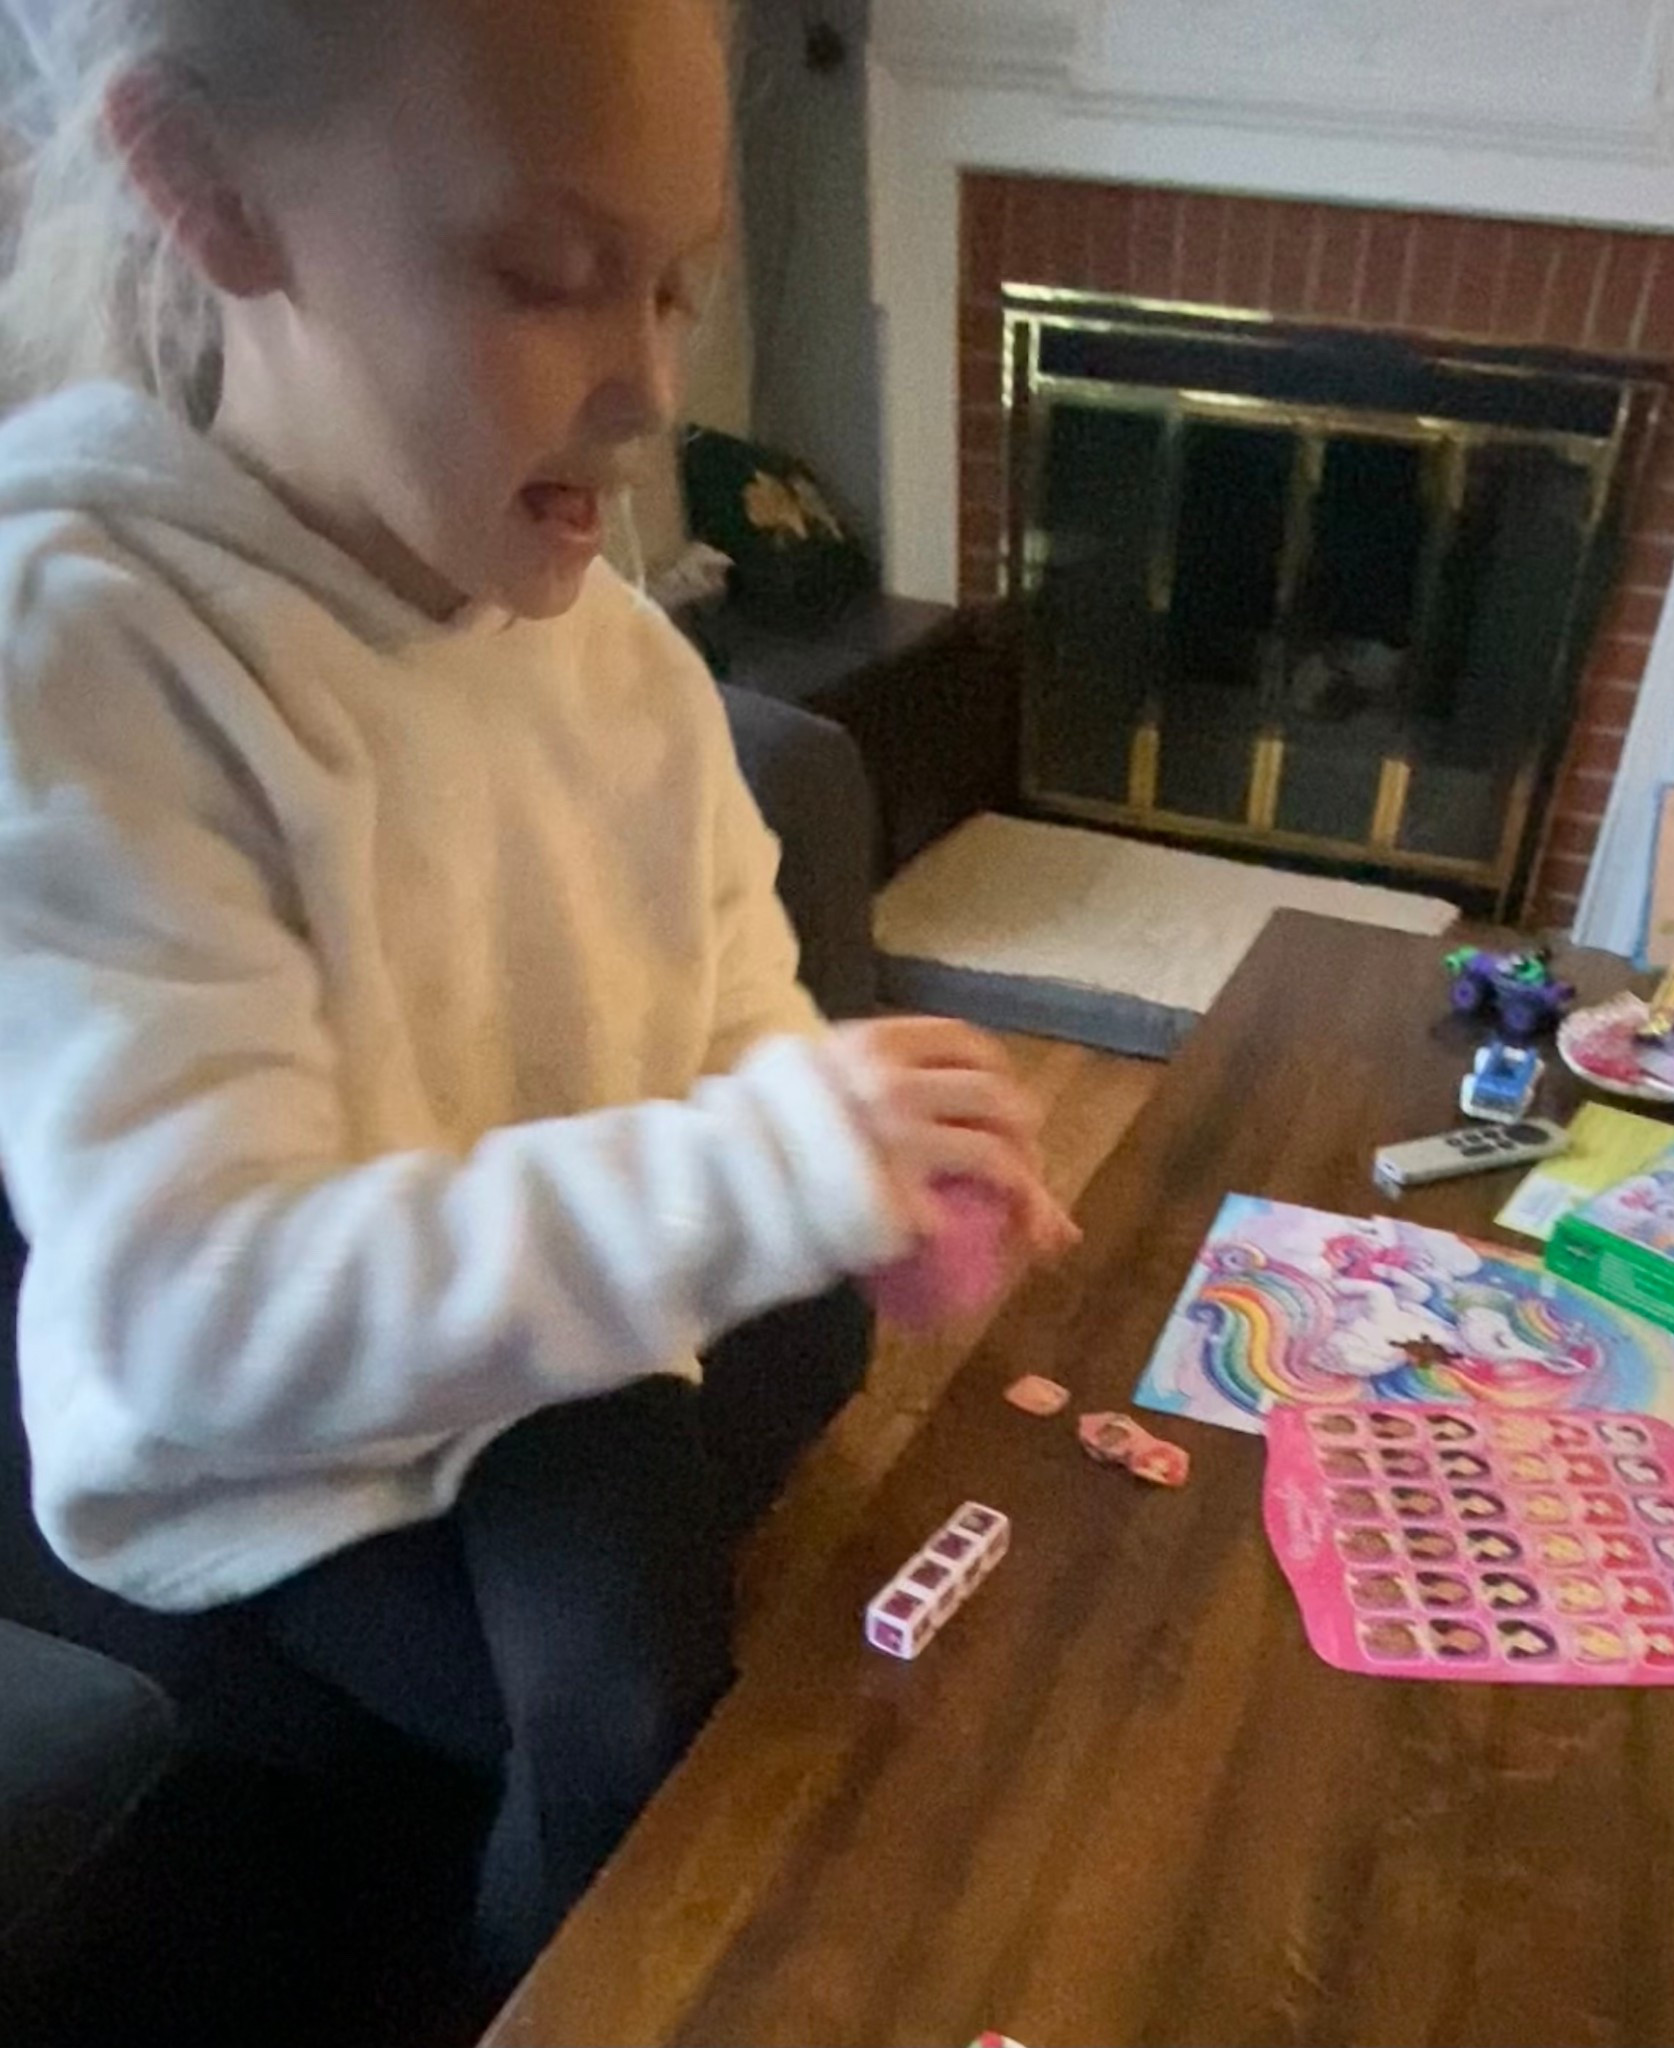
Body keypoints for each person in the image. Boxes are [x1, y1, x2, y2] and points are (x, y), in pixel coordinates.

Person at [0, 0, 1077, 1994]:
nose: (649, 392)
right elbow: (184, 1314)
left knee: (767, 1551)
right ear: (207, 188)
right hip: (273, 1418)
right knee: (625, 1712)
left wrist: (834, 1123)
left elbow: (727, 997)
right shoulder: (86, 652)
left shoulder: (616, 656)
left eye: (672, 286)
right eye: (550, 278)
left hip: (540, 1307)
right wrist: (752, 1176)